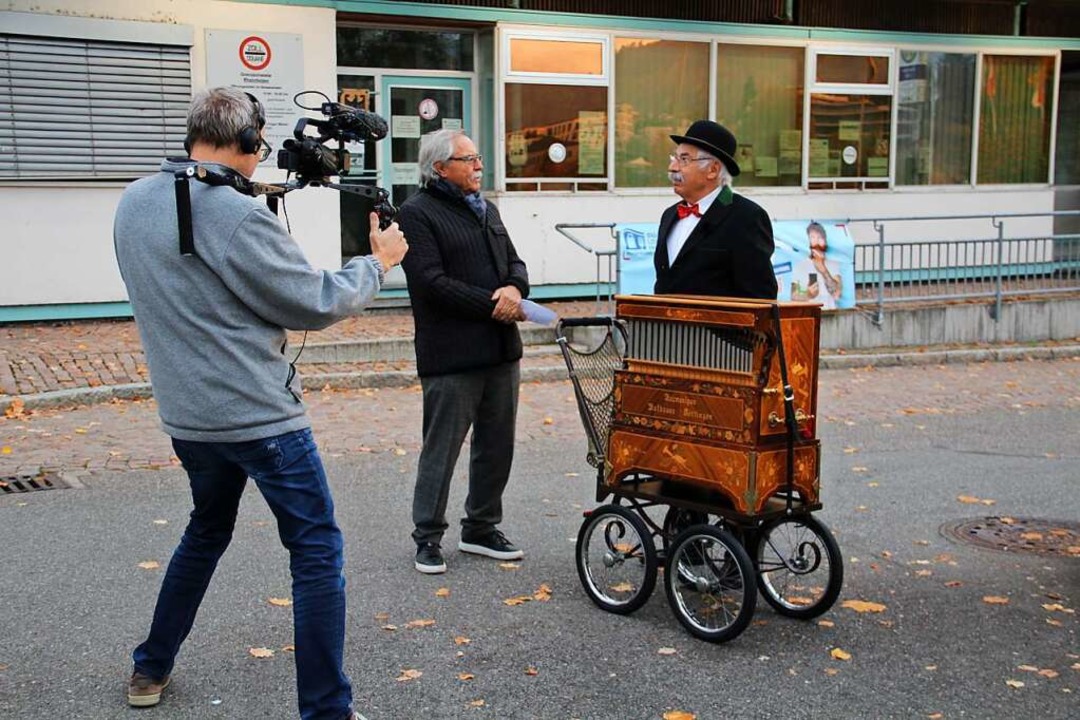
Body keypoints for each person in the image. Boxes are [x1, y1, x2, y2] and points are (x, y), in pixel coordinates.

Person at [113, 86, 407, 720]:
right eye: (259, 146)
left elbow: (199, 282)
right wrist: (378, 263)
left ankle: (150, 667)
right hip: (259, 417)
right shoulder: (235, 216)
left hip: (188, 417)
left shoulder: (135, 202)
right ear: (248, 142)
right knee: (316, 549)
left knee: (205, 530)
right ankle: (327, 710)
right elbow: (314, 302)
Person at [397, 128, 530, 575]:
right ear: (440, 168)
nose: (478, 166)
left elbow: (514, 262)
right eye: (469, 159)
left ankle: (481, 528)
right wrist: (496, 304)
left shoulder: (486, 209)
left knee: (497, 446)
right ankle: (428, 536)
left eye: (478, 158)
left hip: (500, 352)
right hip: (451, 355)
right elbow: (430, 283)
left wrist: (515, 287)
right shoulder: (416, 214)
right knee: (442, 450)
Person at [653, 120, 778, 299]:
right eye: (674, 158)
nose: (672, 167)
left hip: (718, 327)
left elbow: (760, 299)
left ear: (712, 170)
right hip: (668, 327)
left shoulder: (746, 217)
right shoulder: (670, 215)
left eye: (684, 159)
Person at [795, 221, 843, 308]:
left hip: (830, 315)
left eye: (820, 237)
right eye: (812, 237)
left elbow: (837, 294)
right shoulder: (800, 266)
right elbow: (794, 296)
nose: (816, 241)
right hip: (809, 315)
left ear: (825, 241)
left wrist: (823, 270)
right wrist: (808, 294)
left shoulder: (833, 264)